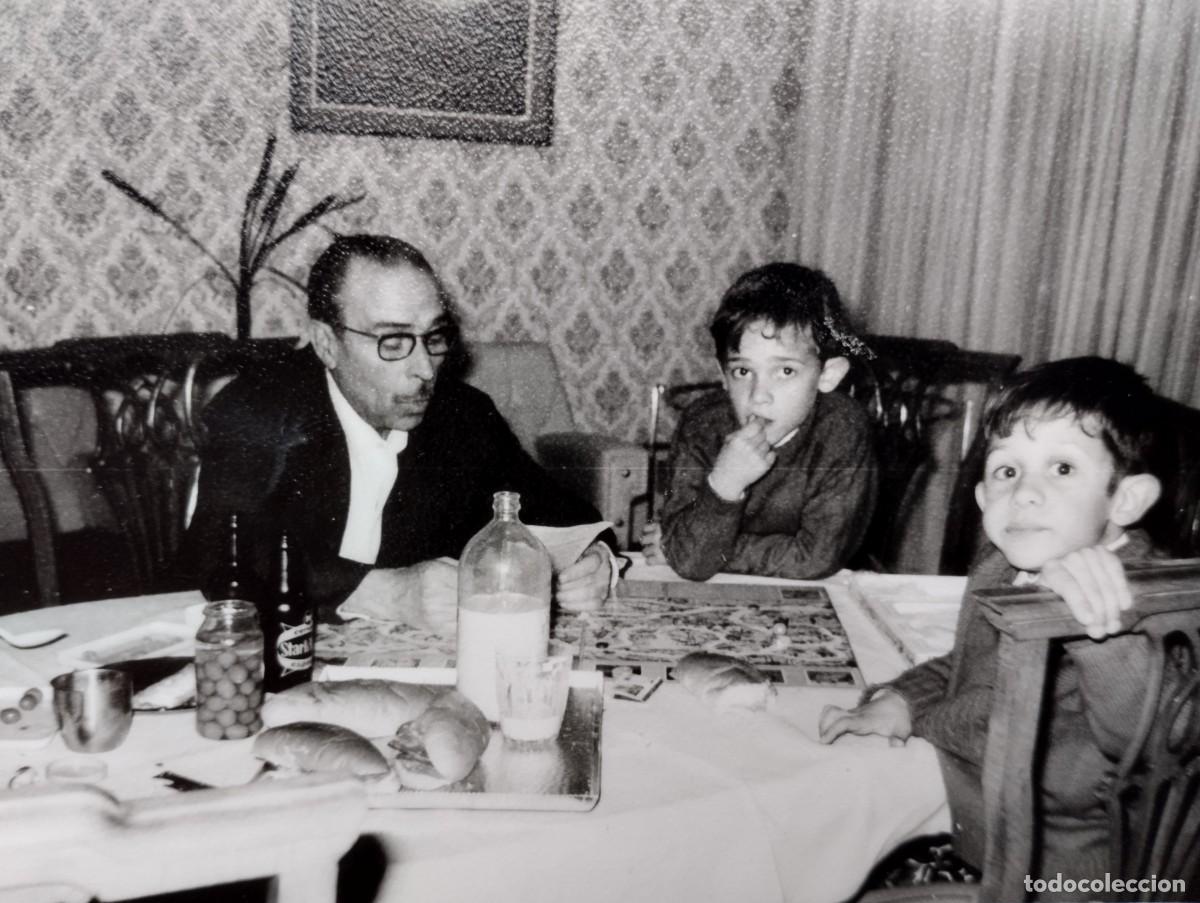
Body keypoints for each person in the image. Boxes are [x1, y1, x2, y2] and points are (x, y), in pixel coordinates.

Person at [818, 357, 1169, 892]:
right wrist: (903, 700)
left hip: (1061, 871)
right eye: (1007, 470)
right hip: (977, 823)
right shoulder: (1003, 567)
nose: (1024, 492)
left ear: (1126, 499)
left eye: (1063, 468)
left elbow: (1145, 739)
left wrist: (1105, 631)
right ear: (983, 499)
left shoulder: (1143, 602)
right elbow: (970, 667)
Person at [183, 234, 615, 635]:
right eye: (393, 342)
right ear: (326, 343)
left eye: (434, 337)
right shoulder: (257, 410)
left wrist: (596, 560)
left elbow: (559, 511)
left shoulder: (464, 414)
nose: (425, 369)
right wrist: (377, 590)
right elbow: (220, 554)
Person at [641, 262, 878, 580]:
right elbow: (688, 562)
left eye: (785, 371)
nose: (758, 395)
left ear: (827, 375)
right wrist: (724, 484)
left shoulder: (843, 430)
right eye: (742, 371)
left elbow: (815, 559)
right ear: (723, 374)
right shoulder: (702, 425)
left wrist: (706, 549)